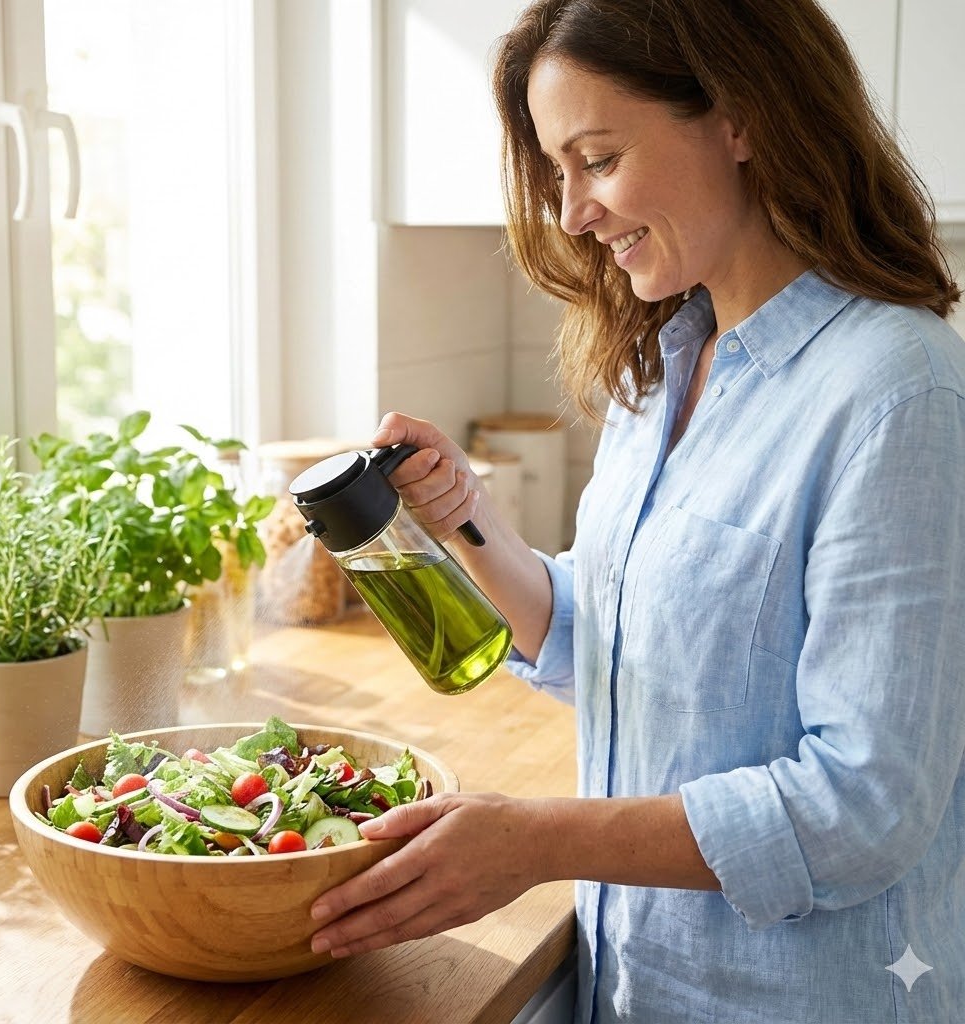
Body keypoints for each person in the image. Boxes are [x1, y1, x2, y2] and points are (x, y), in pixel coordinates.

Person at [308, 1, 965, 1020]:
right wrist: (467, 518)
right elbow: (625, 647)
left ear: (742, 118)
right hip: (637, 981)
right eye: (556, 173)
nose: (573, 212)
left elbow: (864, 807)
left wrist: (538, 839)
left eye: (599, 160)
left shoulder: (896, 392)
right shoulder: (658, 368)